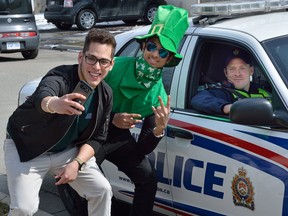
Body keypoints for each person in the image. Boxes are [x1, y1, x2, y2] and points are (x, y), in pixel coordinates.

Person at [65, 5, 189, 216]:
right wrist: (113, 117)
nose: (154, 54)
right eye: (151, 46)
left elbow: (141, 149)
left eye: (162, 51)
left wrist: (159, 129)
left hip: (116, 138)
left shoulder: (157, 93)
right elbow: (81, 103)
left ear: (168, 59)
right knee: (86, 182)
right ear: (143, 47)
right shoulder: (113, 67)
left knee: (147, 179)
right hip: (88, 133)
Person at [3, 28, 116, 216]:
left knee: (102, 190)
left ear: (111, 65)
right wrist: (55, 104)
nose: (97, 67)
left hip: (66, 153)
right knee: (24, 208)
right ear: (80, 57)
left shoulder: (105, 94)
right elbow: (44, 95)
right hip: (26, 149)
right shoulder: (61, 76)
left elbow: (97, 137)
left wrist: (77, 163)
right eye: (91, 58)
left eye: (103, 61)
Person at [191, 49, 271, 115]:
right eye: (232, 69)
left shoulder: (265, 91)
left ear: (251, 71)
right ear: (226, 73)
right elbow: (199, 99)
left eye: (242, 68)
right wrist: (227, 107)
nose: (237, 74)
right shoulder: (223, 93)